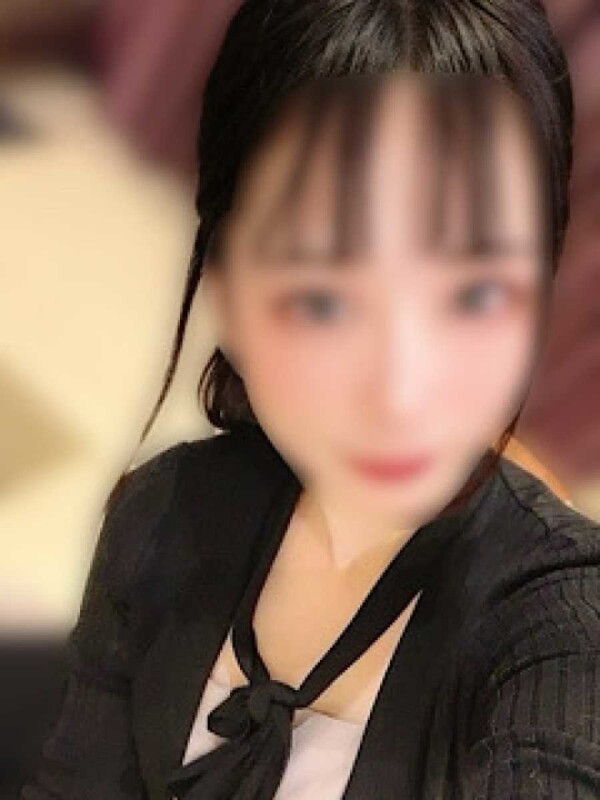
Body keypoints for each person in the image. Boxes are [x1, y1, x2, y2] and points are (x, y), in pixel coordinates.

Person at [20, 2, 600, 799]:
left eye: (475, 294)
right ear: (226, 284)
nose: (402, 390)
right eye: (324, 300)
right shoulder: (161, 515)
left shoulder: (563, 620)